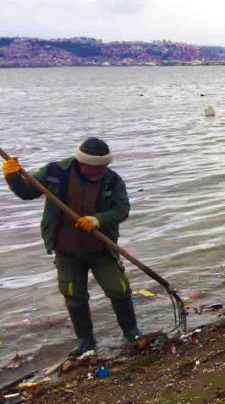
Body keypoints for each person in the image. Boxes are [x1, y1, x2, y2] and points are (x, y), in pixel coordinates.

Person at [2, 138, 141, 357]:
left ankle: (131, 331)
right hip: (66, 250)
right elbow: (27, 192)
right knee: (74, 295)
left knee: (119, 288)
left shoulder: (112, 180)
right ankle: (85, 341)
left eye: (104, 166)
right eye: (96, 167)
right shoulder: (55, 172)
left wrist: (98, 220)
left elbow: (122, 210)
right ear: (82, 163)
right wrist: (12, 177)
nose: (101, 171)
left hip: (101, 248)